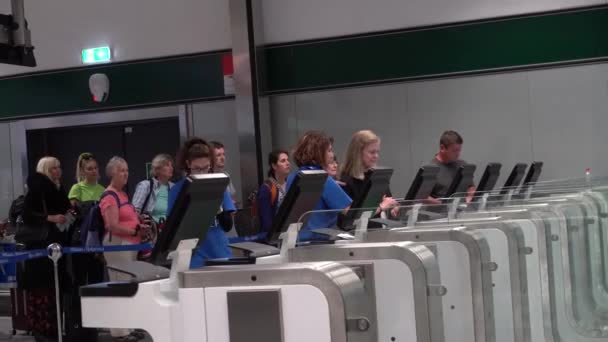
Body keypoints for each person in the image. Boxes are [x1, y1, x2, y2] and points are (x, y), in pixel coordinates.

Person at [20, 157, 71, 341]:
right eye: (54, 168)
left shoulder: (58, 188)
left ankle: (55, 329)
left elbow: (64, 209)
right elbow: (27, 214)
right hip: (40, 248)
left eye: (59, 167)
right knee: (43, 291)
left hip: (56, 246)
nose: (58, 171)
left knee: (54, 290)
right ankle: (43, 331)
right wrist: (50, 218)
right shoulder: (38, 189)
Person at [101, 157, 151, 341]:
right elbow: (112, 225)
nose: (125, 174)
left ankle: (128, 327)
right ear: (112, 173)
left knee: (128, 285)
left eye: (127, 170)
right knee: (119, 285)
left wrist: (139, 227)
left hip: (130, 244)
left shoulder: (123, 195)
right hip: (118, 244)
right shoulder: (109, 196)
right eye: (121, 170)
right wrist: (134, 230)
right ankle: (119, 331)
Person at [168, 138, 236, 268]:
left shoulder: (218, 184)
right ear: (188, 164)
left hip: (220, 252)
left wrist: (218, 208)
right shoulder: (177, 190)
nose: (202, 172)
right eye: (197, 169)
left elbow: (227, 225)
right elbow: (172, 230)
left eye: (206, 168)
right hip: (192, 257)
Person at [287, 131, 352, 241]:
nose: (332, 155)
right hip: (319, 241)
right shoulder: (323, 178)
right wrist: (380, 206)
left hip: (296, 241)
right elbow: (350, 211)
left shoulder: (292, 177)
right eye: (329, 150)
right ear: (318, 153)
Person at [340, 130, 399, 216]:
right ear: (358, 153)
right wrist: (381, 207)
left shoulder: (378, 177)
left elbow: (388, 201)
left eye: (377, 152)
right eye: (372, 152)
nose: (376, 156)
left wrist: (394, 207)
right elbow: (353, 216)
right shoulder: (345, 181)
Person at [427, 130, 476, 204]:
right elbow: (421, 197)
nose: (458, 154)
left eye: (459, 150)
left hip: (462, 211)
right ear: (442, 148)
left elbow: (471, 187)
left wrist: (470, 196)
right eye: (454, 151)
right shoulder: (431, 170)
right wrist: (441, 204)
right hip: (440, 213)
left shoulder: (462, 165)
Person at [132, 154, 174, 223]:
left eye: (171, 165)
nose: (171, 168)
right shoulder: (145, 185)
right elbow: (134, 211)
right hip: (152, 231)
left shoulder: (173, 187)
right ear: (157, 169)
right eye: (167, 165)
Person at [257, 150, 290, 233]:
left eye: (287, 160)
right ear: (274, 166)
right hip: (273, 236)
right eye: (283, 161)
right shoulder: (267, 188)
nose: (288, 163)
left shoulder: (291, 184)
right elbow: (266, 222)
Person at [210, 141, 237, 205]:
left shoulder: (226, 175)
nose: (223, 158)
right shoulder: (206, 178)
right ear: (211, 158)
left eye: (223, 154)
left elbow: (231, 196)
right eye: (218, 155)